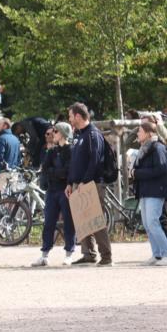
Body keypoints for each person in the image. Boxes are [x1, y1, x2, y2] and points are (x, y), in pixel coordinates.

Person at [66, 103, 113, 265]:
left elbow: (95, 161)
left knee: (95, 220)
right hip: (78, 184)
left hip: (91, 184)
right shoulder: (80, 135)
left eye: (71, 116)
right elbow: (76, 163)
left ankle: (106, 256)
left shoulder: (93, 134)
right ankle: (88, 254)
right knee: (82, 220)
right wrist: (70, 182)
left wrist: (84, 182)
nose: (69, 119)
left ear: (78, 116)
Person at [32, 122, 76, 267]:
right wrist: (57, 173)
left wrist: (55, 172)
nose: (52, 134)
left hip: (65, 190)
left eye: (55, 131)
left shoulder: (71, 150)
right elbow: (45, 168)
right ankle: (44, 254)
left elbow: (68, 172)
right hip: (52, 191)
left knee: (68, 222)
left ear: (63, 133)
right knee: (48, 222)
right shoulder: (52, 151)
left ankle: (69, 253)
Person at [131, 121, 167, 265]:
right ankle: (157, 255)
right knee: (147, 224)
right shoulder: (144, 148)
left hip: (156, 190)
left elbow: (161, 169)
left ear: (149, 133)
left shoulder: (158, 147)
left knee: (153, 222)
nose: (138, 134)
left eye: (140, 131)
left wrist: (137, 173)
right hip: (145, 190)